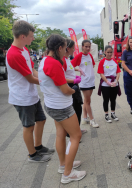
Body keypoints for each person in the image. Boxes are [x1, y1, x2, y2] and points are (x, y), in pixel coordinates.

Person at [38, 34, 86, 184]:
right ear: (59, 48)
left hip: (52, 104)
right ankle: (68, 174)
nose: (66, 51)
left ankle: (63, 164)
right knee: (76, 136)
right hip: (61, 106)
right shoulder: (54, 63)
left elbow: (59, 79)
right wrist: (74, 90)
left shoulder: (45, 60)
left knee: (60, 134)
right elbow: (65, 90)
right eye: (65, 48)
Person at [5, 20, 54, 163]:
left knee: (41, 120)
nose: (33, 38)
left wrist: (46, 77)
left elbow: (33, 71)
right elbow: (30, 78)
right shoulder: (13, 54)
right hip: (22, 97)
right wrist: (51, 83)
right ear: (22, 36)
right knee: (28, 126)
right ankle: (32, 155)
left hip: (31, 95)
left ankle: (38, 146)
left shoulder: (24, 50)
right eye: (31, 36)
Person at [62, 39, 87, 140]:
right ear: (67, 48)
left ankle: (77, 130)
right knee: (74, 110)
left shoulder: (67, 59)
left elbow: (70, 68)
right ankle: (72, 134)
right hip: (70, 86)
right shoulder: (63, 60)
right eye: (73, 48)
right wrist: (73, 80)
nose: (74, 50)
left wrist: (77, 69)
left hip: (74, 85)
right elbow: (61, 77)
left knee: (78, 109)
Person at [71, 40, 99, 128]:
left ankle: (84, 118)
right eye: (86, 46)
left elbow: (93, 65)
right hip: (85, 82)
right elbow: (70, 66)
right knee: (87, 102)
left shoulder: (90, 55)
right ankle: (92, 120)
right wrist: (78, 69)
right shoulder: (79, 55)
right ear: (82, 46)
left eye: (89, 46)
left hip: (91, 81)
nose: (87, 48)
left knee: (87, 101)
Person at [97, 45, 121, 123]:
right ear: (104, 52)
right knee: (106, 100)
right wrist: (107, 82)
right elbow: (101, 73)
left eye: (111, 52)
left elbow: (118, 72)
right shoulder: (102, 61)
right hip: (105, 84)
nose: (109, 54)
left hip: (114, 83)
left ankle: (113, 113)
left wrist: (116, 81)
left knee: (113, 99)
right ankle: (106, 114)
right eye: (108, 52)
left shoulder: (114, 61)